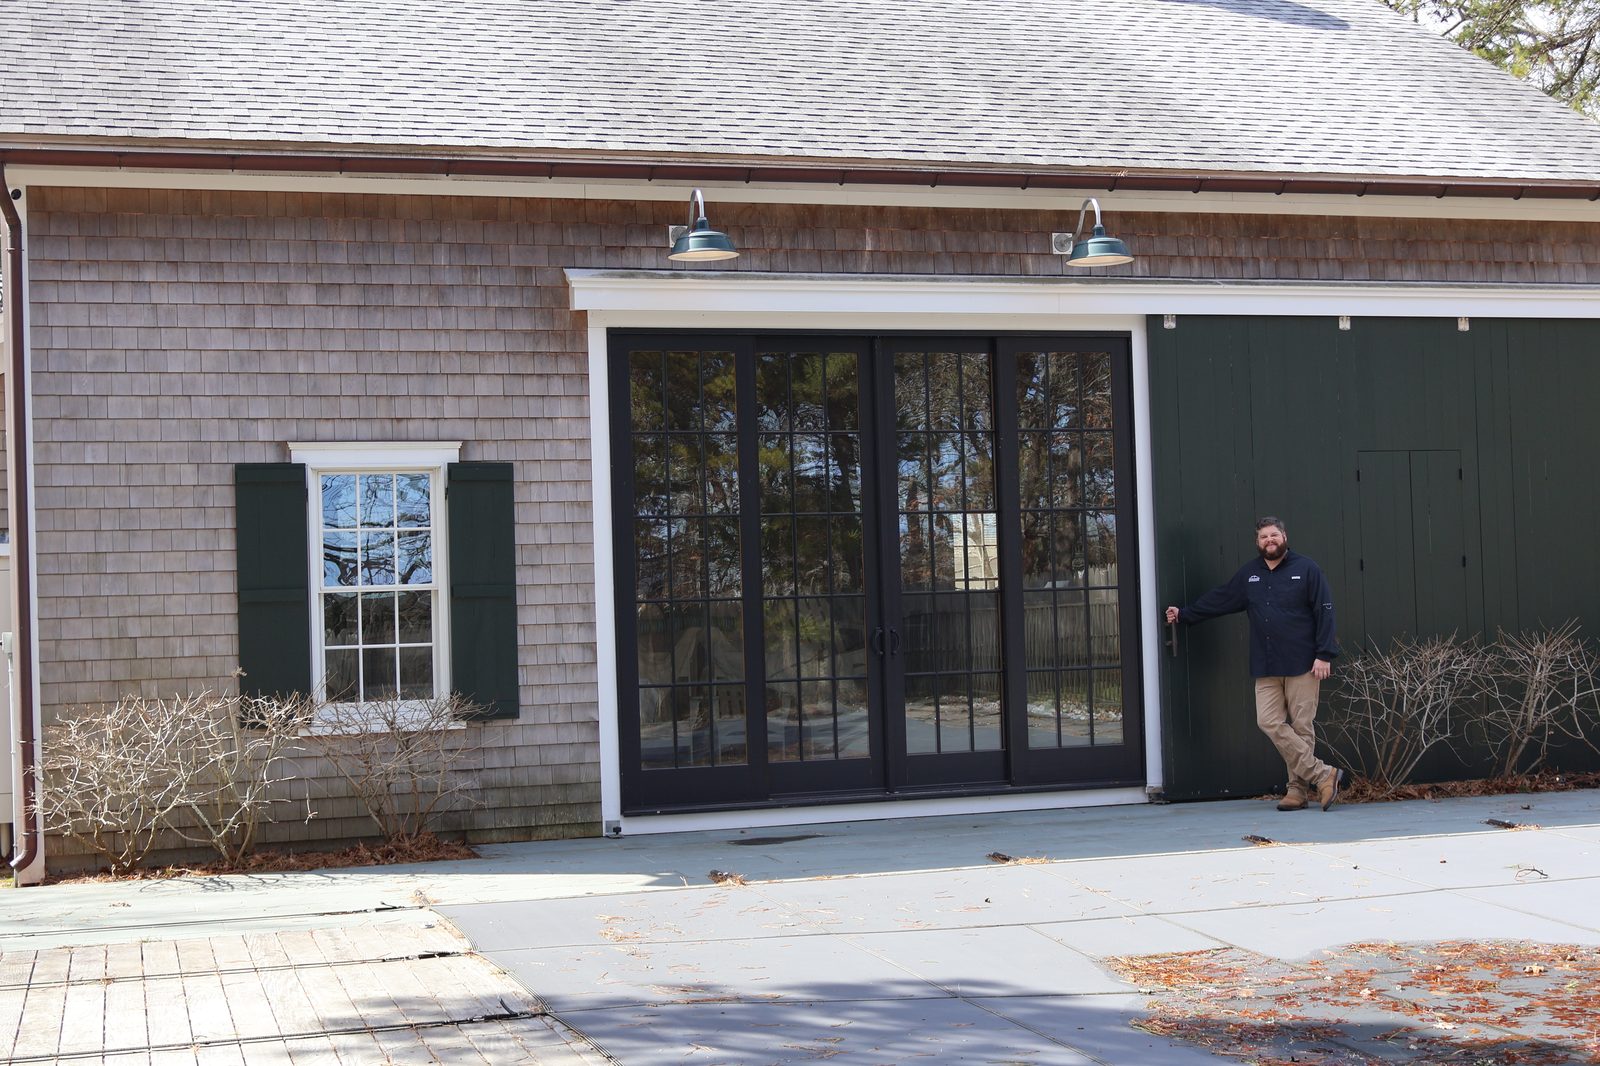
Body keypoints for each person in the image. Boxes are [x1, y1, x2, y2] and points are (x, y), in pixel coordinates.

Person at [1164, 516, 1344, 811]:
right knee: (1269, 722)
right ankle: (1324, 775)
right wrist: (1184, 614)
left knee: (1301, 727)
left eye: (1274, 535)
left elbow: (1325, 610)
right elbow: (1222, 599)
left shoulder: (1307, 568)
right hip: (1267, 663)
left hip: (1304, 662)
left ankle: (1297, 792)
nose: (1269, 540)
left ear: (1285, 536)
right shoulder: (1250, 575)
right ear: (1257, 542)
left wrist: (1324, 653)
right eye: (1263, 537)